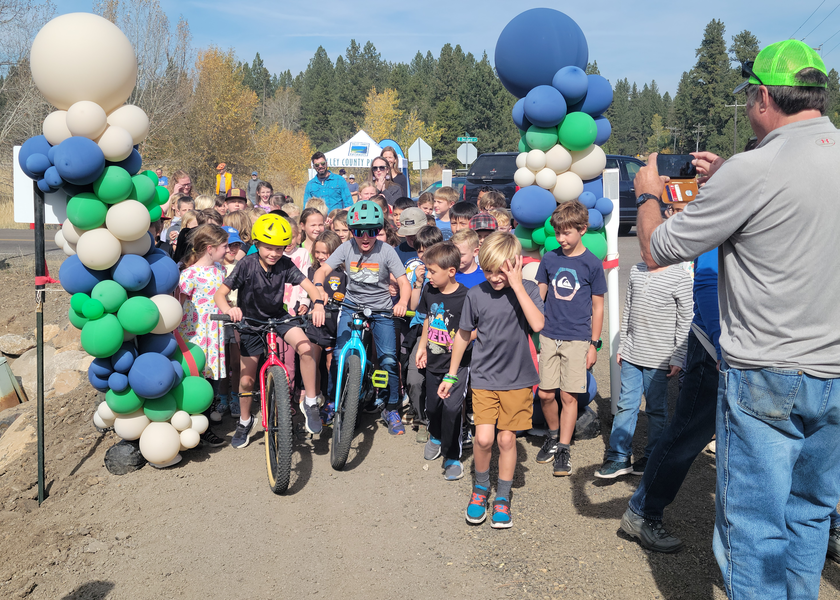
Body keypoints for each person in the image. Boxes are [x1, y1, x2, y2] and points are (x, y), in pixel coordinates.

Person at [632, 40, 840, 600]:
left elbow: (656, 250)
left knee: (754, 531)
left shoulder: (754, 170)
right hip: (836, 371)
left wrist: (648, 196)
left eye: (750, 96)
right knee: (810, 514)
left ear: (764, 97)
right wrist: (731, 175)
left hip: (767, 372)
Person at [438, 232, 544, 529]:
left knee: (507, 438)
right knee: (484, 439)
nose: (495, 277)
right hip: (484, 377)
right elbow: (462, 335)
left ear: (516, 265)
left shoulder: (529, 290)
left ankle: (503, 497)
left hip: (518, 379)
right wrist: (451, 374)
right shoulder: (476, 294)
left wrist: (518, 285)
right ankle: (480, 490)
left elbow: (537, 324)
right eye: (488, 270)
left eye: (502, 270)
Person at [620, 246, 721, 553]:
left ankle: (821, 520)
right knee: (686, 433)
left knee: (807, 439)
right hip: (717, 349)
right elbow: (707, 279)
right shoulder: (743, 202)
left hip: (802, 350)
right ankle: (643, 511)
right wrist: (720, 341)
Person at [214, 214, 325, 448]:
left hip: (279, 317)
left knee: (305, 348)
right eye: (268, 248)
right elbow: (220, 294)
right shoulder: (247, 264)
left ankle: (311, 403)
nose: (274, 253)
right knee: (246, 380)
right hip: (251, 323)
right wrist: (229, 310)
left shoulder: (285, 264)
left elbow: (310, 287)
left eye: (279, 248)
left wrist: (318, 304)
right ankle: (245, 421)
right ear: (256, 243)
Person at [311, 201, 411, 435]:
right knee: (338, 356)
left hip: (382, 311)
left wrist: (403, 303)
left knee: (387, 359)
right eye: (358, 232)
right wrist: (319, 288)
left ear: (379, 231)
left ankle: (392, 406)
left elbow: (404, 282)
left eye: (372, 231)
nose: (365, 237)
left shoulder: (386, 251)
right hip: (351, 307)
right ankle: (332, 402)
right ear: (351, 232)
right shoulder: (346, 249)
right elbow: (322, 270)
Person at [595, 251, 692, 479]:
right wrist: (622, 347)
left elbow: (685, 320)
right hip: (631, 355)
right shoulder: (637, 271)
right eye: (642, 246)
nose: (645, 252)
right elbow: (628, 310)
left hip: (660, 359)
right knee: (625, 405)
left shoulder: (679, 277)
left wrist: (679, 356)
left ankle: (654, 456)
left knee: (656, 410)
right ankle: (618, 457)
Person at [534, 200, 606, 477]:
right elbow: (539, 295)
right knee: (545, 394)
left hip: (578, 338)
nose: (561, 239)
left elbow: (598, 306)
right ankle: (552, 436)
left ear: (582, 230)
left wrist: (594, 343)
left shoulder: (592, 264)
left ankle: (563, 447)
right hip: (549, 336)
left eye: (567, 233)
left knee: (568, 396)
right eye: (558, 233)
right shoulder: (550, 258)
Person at [415, 242, 470, 481]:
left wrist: (460, 338)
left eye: (432, 271)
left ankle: (452, 456)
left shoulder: (467, 296)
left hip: (457, 366)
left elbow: (474, 329)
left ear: (451, 271)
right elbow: (428, 318)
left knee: (451, 409)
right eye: (427, 270)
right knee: (433, 406)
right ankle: (435, 435)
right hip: (433, 360)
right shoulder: (429, 290)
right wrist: (421, 347)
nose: (428, 275)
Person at [177, 223, 229, 449]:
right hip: (196, 332)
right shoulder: (189, 275)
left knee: (210, 375)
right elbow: (179, 303)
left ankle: (207, 417)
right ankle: (201, 425)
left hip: (215, 331)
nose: (227, 251)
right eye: (224, 246)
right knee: (198, 373)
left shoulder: (221, 270)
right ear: (210, 248)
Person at [210, 225, 244, 422]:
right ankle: (222, 398)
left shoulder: (242, 265)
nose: (232, 250)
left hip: (237, 320)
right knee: (222, 363)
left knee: (236, 362)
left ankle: (235, 398)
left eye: (237, 245)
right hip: (219, 321)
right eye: (229, 245)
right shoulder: (216, 268)